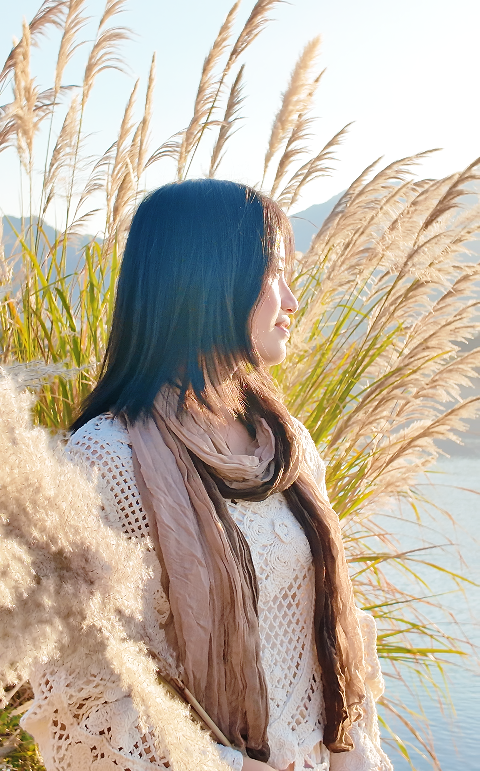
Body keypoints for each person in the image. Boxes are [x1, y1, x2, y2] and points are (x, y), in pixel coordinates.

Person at [23, 180, 393, 771]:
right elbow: (85, 693)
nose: (292, 300)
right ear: (211, 281)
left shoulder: (284, 441)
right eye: (274, 273)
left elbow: (333, 641)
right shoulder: (106, 461)